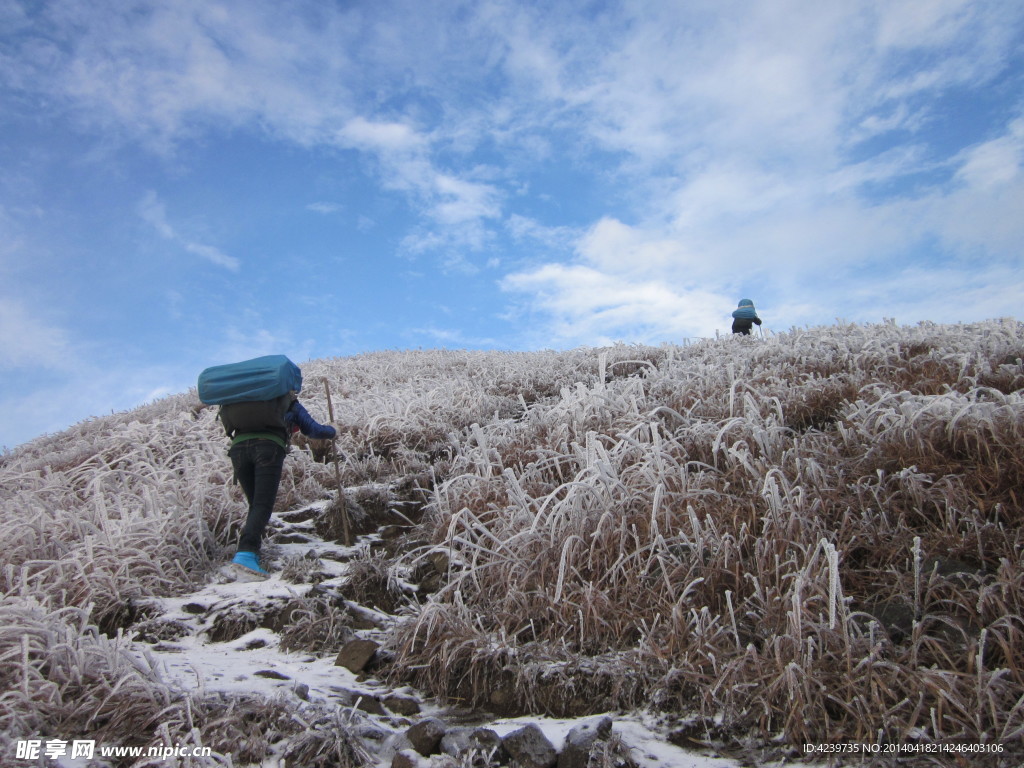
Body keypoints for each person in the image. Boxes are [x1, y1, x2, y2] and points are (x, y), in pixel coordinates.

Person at [220, 391, 337, 579]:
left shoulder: (242, 398)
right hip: (268, 448)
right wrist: (333, 430)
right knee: (262, 505)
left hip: (238, 450)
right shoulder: (286, 400)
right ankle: (245, 555)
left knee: (256, 505)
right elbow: (313, 429)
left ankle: (250, 553)